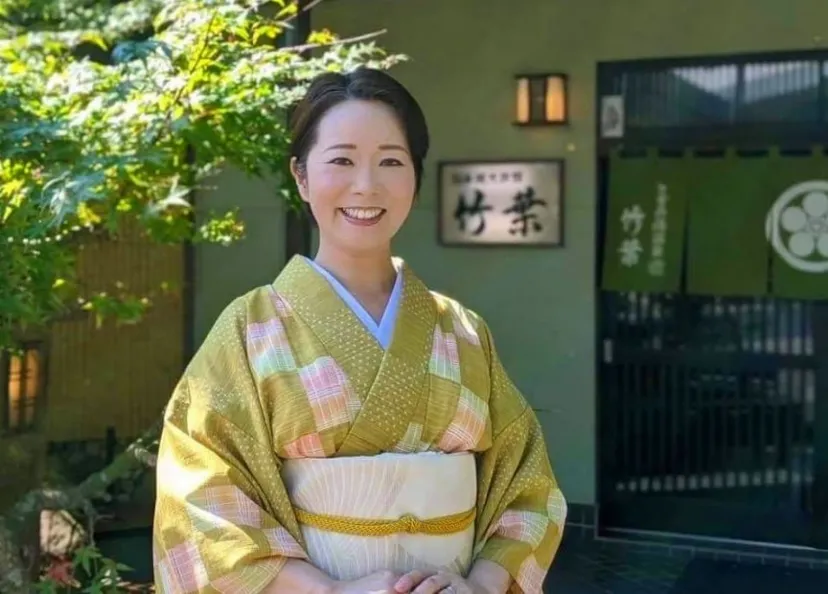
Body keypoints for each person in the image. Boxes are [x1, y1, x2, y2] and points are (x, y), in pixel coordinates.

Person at [152, 67, 566, 594]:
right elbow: (200, 502)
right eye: (341, 160)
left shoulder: (463, 331)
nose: (366, 185)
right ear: (301, 176)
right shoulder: (248, 329)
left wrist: (483, 585)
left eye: (391, 161)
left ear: (415, 176)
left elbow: (526, 485)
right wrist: (330, 591)